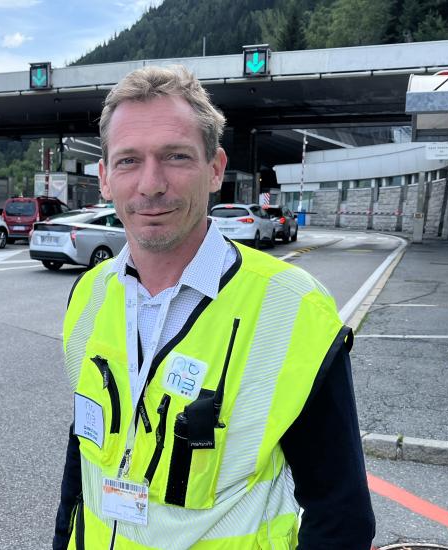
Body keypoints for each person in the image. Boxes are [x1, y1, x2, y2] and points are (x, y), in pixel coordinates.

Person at [53, 65, 375, 550]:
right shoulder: (90, 293)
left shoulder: (292, 308)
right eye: (128, 161)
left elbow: (340, 515)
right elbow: (83, 457)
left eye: (176, 157)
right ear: (104, 177)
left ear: (216, 168)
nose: (151, 183)